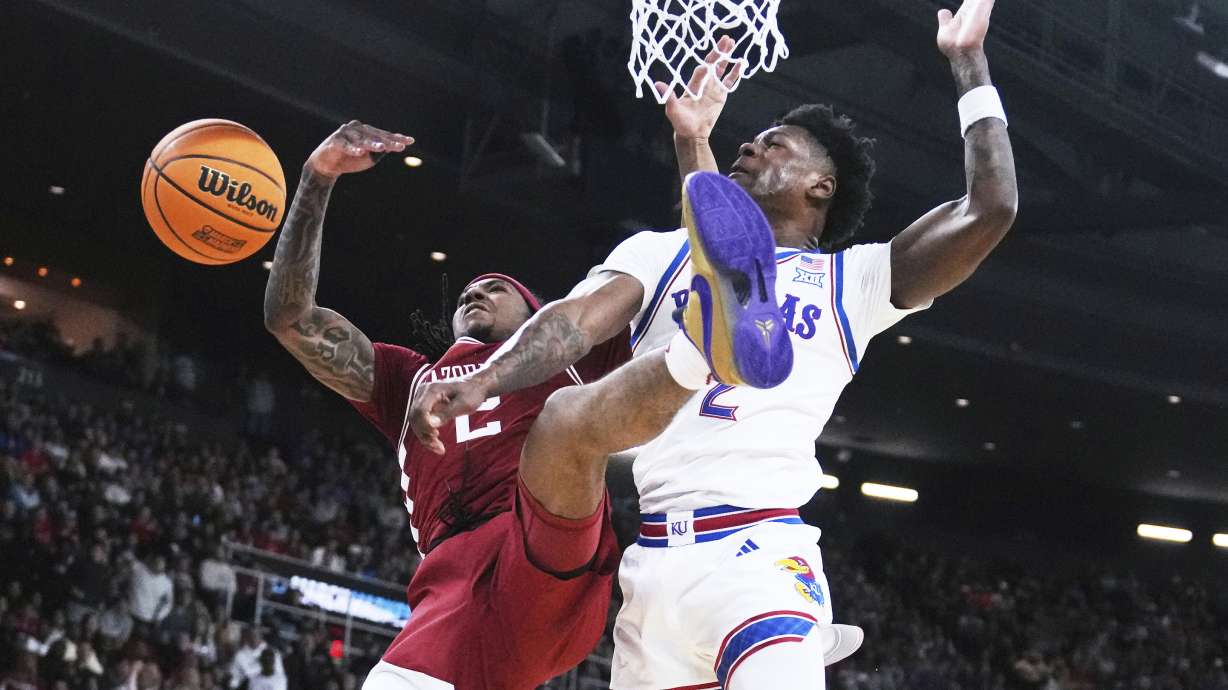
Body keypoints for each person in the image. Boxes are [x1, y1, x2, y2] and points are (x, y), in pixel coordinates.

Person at [408, 1, 1017, 688]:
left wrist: (969, 63)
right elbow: (571, 323)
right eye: (746, 141)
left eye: (774, 143)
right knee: (566, 416)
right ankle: (709, 339)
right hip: (654, 568)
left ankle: (708, 338)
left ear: (822, 185)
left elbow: (988, 208)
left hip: (757, 558)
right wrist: (488, 377)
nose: (749, 146)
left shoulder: (856, 279)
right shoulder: (656, 251)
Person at [262, 121, 798, 689]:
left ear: (535, 312)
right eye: (469, 290)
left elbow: (695, 245)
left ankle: (708, 343)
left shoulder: (564, 355)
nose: (476, 292)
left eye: (497, 288)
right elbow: (291, 320)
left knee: (568, 417)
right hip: (455, 574)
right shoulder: (408, 381)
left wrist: (693, 141)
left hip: (545, 546)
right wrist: (315, 178)